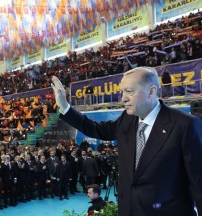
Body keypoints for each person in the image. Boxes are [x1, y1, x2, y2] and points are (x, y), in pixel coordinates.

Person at [51, 67, 202, 216]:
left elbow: (199, 182)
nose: (123, 98)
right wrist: (65, 107)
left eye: (129, 92)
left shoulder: (185, 124)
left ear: (151, 91)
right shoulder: (127, 118)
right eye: (122, 92)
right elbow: (95, 129)